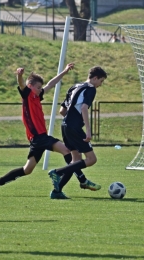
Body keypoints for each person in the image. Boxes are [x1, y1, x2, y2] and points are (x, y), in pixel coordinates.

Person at [0, 63, 100, 200]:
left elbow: (51, 84)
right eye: (38, 87)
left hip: (37, 140)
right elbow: (22, 84)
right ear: (30, 87)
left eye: (41, 87)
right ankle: (82, 180)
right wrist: (20, 76)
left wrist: (64, 72)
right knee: (68, 152)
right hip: (39, 137)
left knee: (27, 170)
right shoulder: (27, 95)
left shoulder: (37, 96)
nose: (41, 90)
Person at [48, 66, 107, 196]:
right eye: (101, 81)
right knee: (91, 159)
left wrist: (71, 122)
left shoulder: (75, 86)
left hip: (65, 126)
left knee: (75, 161)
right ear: (95, 78)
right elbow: (84, 108)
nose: (100, 85)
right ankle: (57, 172)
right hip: (74, 127)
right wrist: (88, 130)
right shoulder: (90, 89)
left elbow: (62, 111)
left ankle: (57, 191)